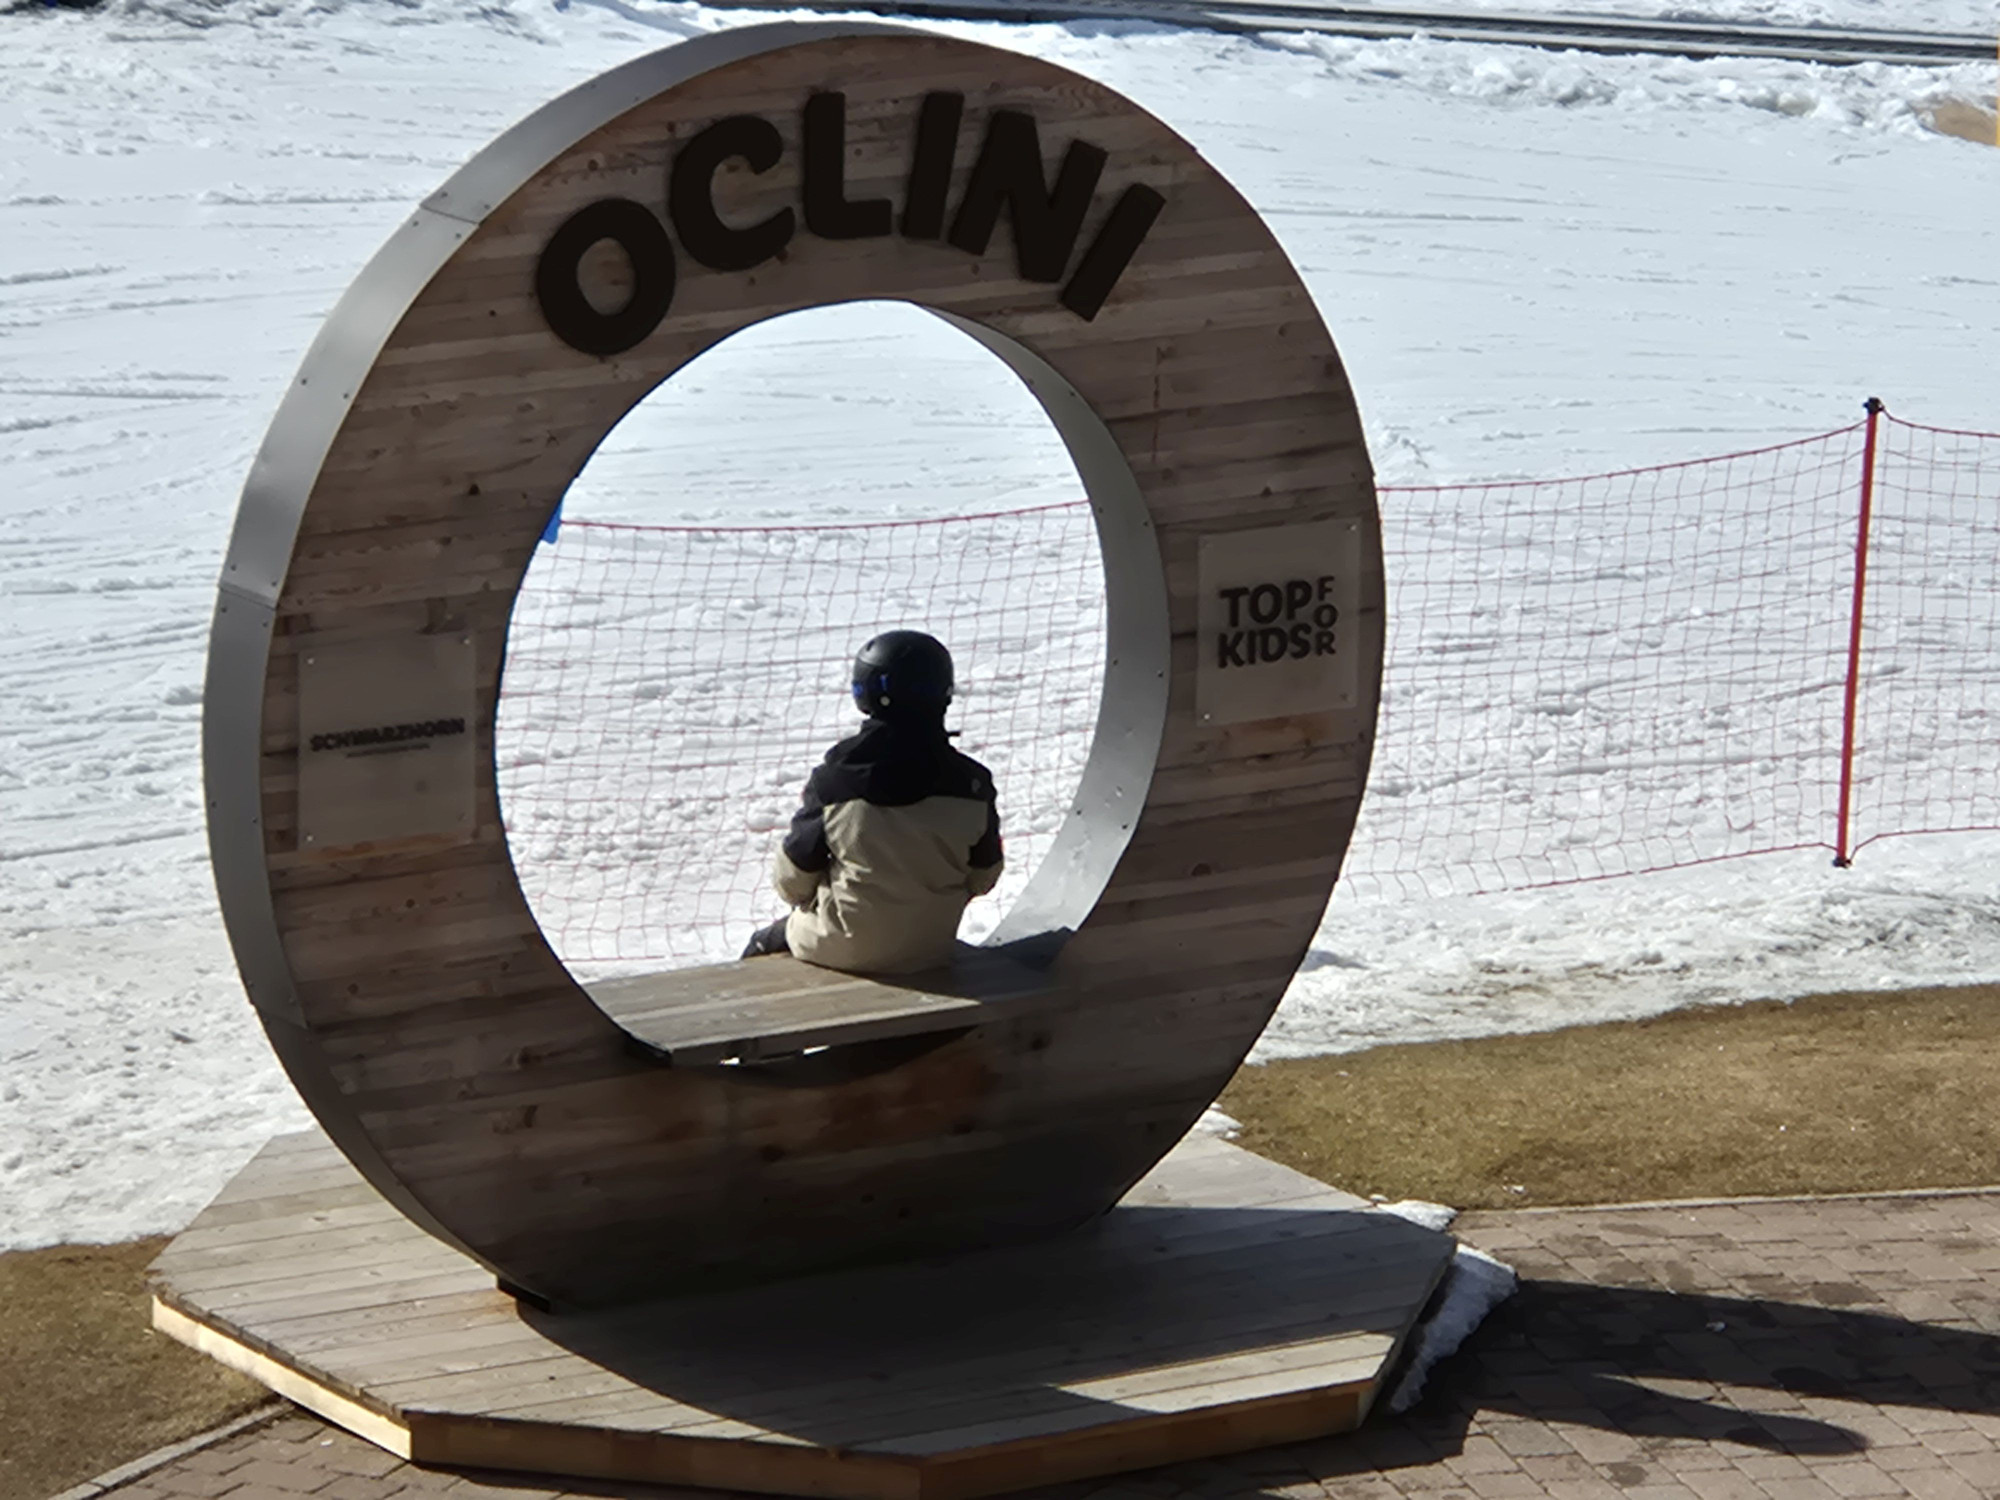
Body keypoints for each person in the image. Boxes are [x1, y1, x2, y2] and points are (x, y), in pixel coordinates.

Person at [741, 630, 1003, 975]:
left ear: (864, 692)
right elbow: (985, 875)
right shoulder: (973, 784)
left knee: (765, 943)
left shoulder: (836, 781)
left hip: (841, 946)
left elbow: (794, 879)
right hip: (930, 948)